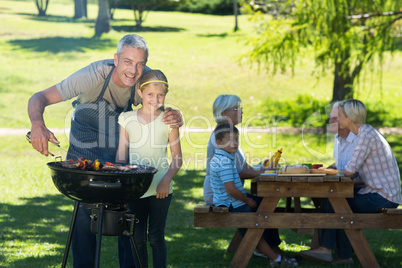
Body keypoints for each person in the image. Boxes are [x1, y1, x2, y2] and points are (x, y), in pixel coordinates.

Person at [27, 34, 182, 267]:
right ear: (116, 59)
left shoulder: (142, 76)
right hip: (84, 146)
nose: (134, 69)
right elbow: (39, 97)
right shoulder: (92, 76)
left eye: (140, 63)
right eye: (128, 61)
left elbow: (155, 101)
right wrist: (37, 124)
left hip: (116, 148)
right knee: (85, 215)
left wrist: (172, 113)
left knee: (126, 215)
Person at [300, 99, 402, 265]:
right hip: (375, 192)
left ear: (350, 118)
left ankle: (327, 250)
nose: (335, 120)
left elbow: (349, 171)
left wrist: (327, 172)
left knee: (337, 201)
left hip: (383, 197)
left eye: (339, 116)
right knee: (337, 200)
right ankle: (343, 256)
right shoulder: (365, 133)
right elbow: (348, 170)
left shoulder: (365, 135)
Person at [203, 94, 286, 259]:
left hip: (228, 192)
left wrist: (261, 168)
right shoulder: (221, 136)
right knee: (264, 205)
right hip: (221, 194)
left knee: (264, 204)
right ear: (225, 112)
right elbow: (239, 172)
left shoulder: (228, 133)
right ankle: (270, 249)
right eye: (237, 108)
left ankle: (269, 248)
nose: (241, 111)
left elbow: (242, 167)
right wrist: (263, 172)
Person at [116, 70, 182, 268]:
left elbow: (177, 159)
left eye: (160, 95)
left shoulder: (169, 122)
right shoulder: (126, 119)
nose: (155, 99)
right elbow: (121, 157)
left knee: (155, 238)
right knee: (137, 241)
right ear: (140, 93)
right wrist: (123, 182)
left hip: (160, 190)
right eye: (150, 94)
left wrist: (165, 181)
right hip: (135, 190)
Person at [209, 124, 298, 267]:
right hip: (231, 203)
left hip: (233, 200)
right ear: (219, 143)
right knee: (253, 227)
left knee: (265, 204)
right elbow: (231, 190)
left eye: (236, 139)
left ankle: (274, 248)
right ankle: (276, 259)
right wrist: (247, 200)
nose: (234, 143)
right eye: (229, 140)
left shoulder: (225, 157)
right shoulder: (224, 161)